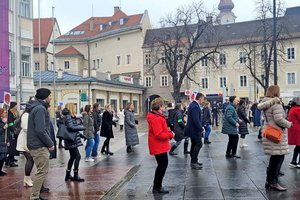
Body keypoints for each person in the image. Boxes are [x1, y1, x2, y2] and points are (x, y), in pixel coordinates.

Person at [258, 85, 292, 191]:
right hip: (276, 133)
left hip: (269, 131)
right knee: (278, 158)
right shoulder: (276, 103)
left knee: (274, 158)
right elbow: (278, 119)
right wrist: (289, 124)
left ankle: (269, 181)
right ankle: (273, 182)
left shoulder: (265, 103)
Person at [27, 88, 54, 200]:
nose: (51, 98)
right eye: (49, 96)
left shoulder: (37, 107)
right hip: (39, 145)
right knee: (42, 171)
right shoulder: (40, 109)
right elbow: (40, 130)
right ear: (45, 97)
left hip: (36, 144)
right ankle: (34, 196)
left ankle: (36, 195)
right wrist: (50, 143)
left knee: (41, 171)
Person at [147, 97, 174, 194]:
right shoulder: (157, 118)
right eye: (163, 106)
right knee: (162, 166)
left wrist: (168, 132)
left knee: (162, 165)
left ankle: (157, 186)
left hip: (158, 145)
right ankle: (157, 187)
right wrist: (171, 134)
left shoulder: (156, 116)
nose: (165, 108)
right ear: (160, 106)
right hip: (159, 146)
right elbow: (159, 134)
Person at [62, 103, 86, 182]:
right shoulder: (69, 117)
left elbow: (72, 130)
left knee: (72, 157)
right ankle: (75, 175)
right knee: (77, 157)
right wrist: (82, 128)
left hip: (70, 139)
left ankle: (67, 174)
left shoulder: (68, 117)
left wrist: (82, 136)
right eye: (74, 108)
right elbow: (71, 128)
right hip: (72, 140)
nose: (75, 109)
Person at [185, 93, 205, 170]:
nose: (203, 100)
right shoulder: (195, 106)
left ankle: (194, 161)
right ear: (200, 98)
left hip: (191, 129)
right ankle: (193, 162)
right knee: (199, 144)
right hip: (194, 130)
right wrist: (201, 128)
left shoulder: (192, 104)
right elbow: (196, 119)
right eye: (202, 99)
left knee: (194, 144)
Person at [288, 97, 300, 168]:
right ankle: (298, 162)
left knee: (298, 146)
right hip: (298, 129)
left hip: (294, 129)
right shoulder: (298, 109)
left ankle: (293, 161)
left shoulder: (292, 108)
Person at [6, 101, 19, 167]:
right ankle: (9, 160)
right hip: (11, 132)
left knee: (13, 147)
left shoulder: (14, 112)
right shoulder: (10, 113)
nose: (17, 106)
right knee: (11, 147)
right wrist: (13, 129)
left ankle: (10, 159)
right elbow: (10, 122)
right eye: (16, 105)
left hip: (13, 131)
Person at [0, 108, 8, 176]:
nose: (5, 114)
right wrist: (3, 128)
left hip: (3, 141)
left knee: (3, 157)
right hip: (0, 142)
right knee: (1, 157)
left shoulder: (3, 121)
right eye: (4, 112)